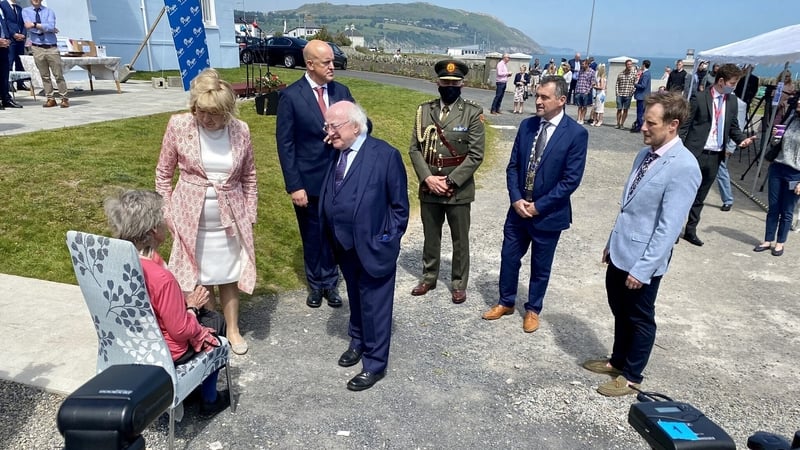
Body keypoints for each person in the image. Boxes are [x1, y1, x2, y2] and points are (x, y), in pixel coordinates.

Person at [583, 91, 701, 396]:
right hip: (622, 251)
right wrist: (612, 242)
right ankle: (617, 361)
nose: (643, 127)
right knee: (619, 310)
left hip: (642, 261)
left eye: (650, 122)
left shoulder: (684, 166)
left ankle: (633, 375)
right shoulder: (644, 154)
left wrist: (644, 269)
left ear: (672, 125)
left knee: (639, 317)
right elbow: (629, 206)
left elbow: (669, 227)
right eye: (643, 120)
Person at [156, 68, 257, 355]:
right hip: (189, 218)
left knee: (228, 274)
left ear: (227, 111)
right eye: (201, 111)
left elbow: (249, 176)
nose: (206, 118)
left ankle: (233, 330)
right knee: (199, 277)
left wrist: (249, 215)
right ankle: (212, 330)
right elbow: (163, 174)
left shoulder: (241, 130)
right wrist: (168, 213)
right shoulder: (179, 125)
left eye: (213, 114)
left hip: (229, 220)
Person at [104, 189, 229, 416]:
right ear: (153, 230)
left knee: (202, 315)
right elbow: (180, 330)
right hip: (167, 351)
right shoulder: (162, 278)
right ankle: (208, 398)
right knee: (216, 321)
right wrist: (191, 307)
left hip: (130, 342)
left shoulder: (113, 261)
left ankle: (194, 388)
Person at [482, 75, 588, 333]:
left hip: (548, 215)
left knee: (541, 266)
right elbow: (513, 166)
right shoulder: (527, 126)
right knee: (508, 256)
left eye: (544, 97)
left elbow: (570, 180)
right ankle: (506, 301)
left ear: (561, 100)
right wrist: (516, 198)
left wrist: (538, 206)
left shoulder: (576, 134)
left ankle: (532, 309)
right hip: (518, 210)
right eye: (537, 96)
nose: (537, 101)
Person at [320, 101, 409, 391]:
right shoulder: (335, 152)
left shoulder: (385, 156)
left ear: (355, 127)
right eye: (327, 126)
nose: (328, 132)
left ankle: (375, 363)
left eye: (334, 126)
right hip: (343, 244)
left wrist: (388, 239)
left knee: (376, 305)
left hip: (374, 246)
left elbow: (399, 207)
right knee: (356, 299)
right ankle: (357, 341)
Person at [277, 39, 357, 309]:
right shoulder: (291, 97)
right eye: (327, 62)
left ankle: (331, 283)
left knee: (334, 233)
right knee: (312, 234)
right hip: (308, 181)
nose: (333, 66)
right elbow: (285, 145)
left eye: (333, 61)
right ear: (310, 64)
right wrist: (294, 185)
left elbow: (362, 125)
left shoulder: (342, 91)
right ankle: (315, 285)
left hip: (338, 179)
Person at [409, 59, 485, 304]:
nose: (449, 86)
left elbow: (475, 155)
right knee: (431, 235)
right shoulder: (424, 111)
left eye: (454, 83)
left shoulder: (472, 113)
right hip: (429, 186)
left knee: (460, 239)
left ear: (462, 84)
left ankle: (458, 283)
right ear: (437, 83)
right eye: (445, 82)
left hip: (458, 190)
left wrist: (450, 182)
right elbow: (414, 149)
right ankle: (429, 277)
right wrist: (428, 178)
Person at [680, 64, 756, 246]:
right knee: (683, 194)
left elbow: (732, 127)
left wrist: (741, 140)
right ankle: (673, 229)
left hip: (715, 156)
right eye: (732, 83)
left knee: (700, 197)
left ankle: (691, 230)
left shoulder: (731, 101)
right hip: (695, 153)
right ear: (721, 81)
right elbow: (685, 127)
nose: (734, 86)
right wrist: (680, 152)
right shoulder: (699, 98)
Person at [754, 99, 800, 256]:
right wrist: (775, 136)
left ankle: (780, 243)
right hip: (778, 167)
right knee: (773, 207)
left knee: (787, 210)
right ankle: (767, 240)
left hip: (795, 173)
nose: (799, 101)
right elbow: (777, 142)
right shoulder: (792, 117)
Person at [22, 0, 68, 108]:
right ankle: (50, 99)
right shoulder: (26, 11)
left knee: (58, 75)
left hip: (51, 47)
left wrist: (34, 24)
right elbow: (28, 27)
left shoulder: (49, 11)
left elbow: (51, 26)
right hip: (37, 47)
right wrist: (44, 27)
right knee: (44, 76)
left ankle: (64, 98)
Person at [717, 96, 747, 212]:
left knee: (721, 171)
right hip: (706, 143)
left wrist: (730, 147)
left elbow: (737, 126)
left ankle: (727, 199)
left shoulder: (738, 103)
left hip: (722, 145)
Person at [1, 0, 23, 107]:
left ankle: (6, 98)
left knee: (4, 73)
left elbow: (4, 24)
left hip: (4, 44)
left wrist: (7, 38)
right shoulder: (3, 5)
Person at [631, 60, 652, 133]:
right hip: (643, 96)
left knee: (640, 112)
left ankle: (639, 126)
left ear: (644, 65)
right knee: (641, 112)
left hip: (642, 96)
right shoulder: (646, 73)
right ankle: (639, 125)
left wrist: (635, 84)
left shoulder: (646, 74)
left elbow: (643, 85)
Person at [615, 59, 636, 129]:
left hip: (628, 95)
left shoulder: (634, 74)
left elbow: (635, 84)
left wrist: (632, 92)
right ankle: (617, 123)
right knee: (619, 109)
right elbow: (617, 84)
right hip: (620, 94)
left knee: (625, 110)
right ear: (625, 65)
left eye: (630, 64)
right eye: (628, 64)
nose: (629, 66)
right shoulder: (621, 74)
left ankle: (622, 124)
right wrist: (617, 93)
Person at [574, 59, 595, 124]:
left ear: (587, 64)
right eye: (582, 64)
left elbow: (592, 82)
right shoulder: (580, 71)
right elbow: (578, 80)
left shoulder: (592, 72)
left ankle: (582, 119)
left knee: (584, 106)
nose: (582, 65)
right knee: (579, 106)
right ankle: (579, 118)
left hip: (586, 91)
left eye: (583, 64)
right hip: (579, 90)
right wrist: (576, 90)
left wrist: (588, 91)